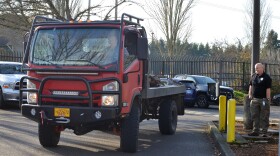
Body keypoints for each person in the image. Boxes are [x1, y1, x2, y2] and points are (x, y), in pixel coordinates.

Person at [248, 63, 272, 137]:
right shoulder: (253, 76)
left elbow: (268, 89)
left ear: (262, 68)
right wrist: (250, 94)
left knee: (264, 116)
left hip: (263, 99)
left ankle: (264, 132)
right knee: (254, 115)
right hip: (254, 99)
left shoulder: (267, 77)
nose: (256, 70)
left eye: (257, 68)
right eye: (255, 68)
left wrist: (268, 98)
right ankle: (255, 131)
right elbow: (251, 86)